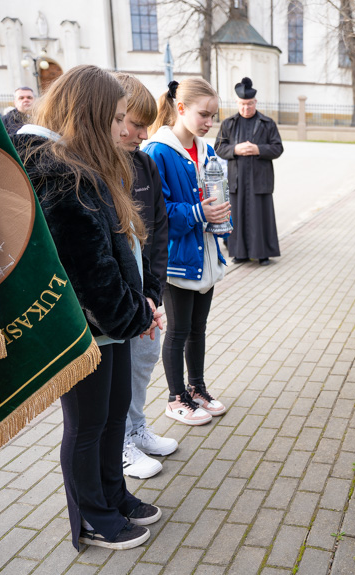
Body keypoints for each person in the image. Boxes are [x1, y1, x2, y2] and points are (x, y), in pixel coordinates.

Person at [13, 65, 164, 550]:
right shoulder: (54, 167)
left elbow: (112, 249)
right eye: (116, 117)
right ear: (90, 114)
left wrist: (138, 306)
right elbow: (88, 269)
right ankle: (94, 517)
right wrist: (137, 314)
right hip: (82, 328)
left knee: (113, 412)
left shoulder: (74, 159)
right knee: (86, 424)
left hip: (110, 323)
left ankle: (113, 495)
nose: (123, 128)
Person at [143, 78, 230, 426]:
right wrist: (198, 213)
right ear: (180, 108)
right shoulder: (158, 151)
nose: (210, 123)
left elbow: (215, 196)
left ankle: (197, 389)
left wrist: (221, 216)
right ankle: (175, 397)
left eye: (213, 115)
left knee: (198, 327)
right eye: (203, 114)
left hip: (203, 254)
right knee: (177, 331)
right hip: (176, 259)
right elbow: (154, 213)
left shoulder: (205, 150)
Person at [113, 73, 178, 479]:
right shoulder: (95, 166)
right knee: (116, 374)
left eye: (144, 125)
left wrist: (152, 292)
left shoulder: (144, 163)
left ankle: (136, 428)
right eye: (135, 124)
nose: (141, 134)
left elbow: (158, 229)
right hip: (114, 301)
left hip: (144, 294)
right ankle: (118, 441)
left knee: (144, 359)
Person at [214, 77, 283, 266]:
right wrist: (235, 150)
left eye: (250, 104)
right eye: (243, 104)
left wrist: (258, 150)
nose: (246, 108)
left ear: (255, 102)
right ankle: (240, 253)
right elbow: (219, 147)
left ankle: (263, 254)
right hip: (237, 179)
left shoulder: (267, 123)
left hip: (260, 179)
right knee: (237, 215)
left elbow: (278, 148)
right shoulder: (228, 124)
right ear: (237, 103)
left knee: (261, 215)